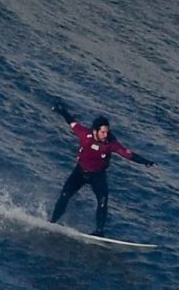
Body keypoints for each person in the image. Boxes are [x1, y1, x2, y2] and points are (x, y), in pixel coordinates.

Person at [48, 101, 154, 235]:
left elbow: (128, 154)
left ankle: (99, 231)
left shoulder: (111, 144)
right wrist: (61, 110)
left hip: (97, 176)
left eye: (107, 132)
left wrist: (146, 162)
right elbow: (72, 122)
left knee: (103, 201)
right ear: (95, 131)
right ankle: (52, 222)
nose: (106, 135)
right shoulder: (85, 136)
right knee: (64, 196)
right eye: (103, 132)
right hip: (80, 172)